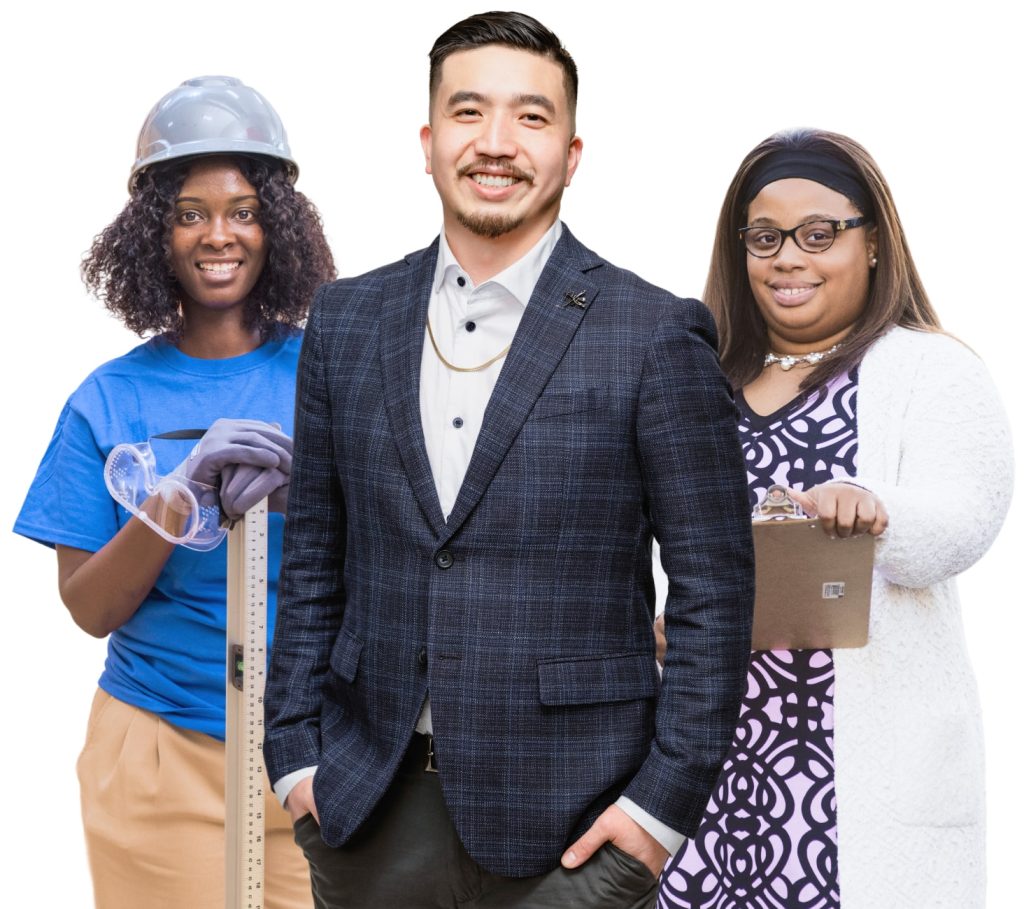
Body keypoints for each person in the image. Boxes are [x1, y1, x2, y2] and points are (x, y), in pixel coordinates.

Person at [264, 11, 755, 909]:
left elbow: (715, 592)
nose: (496, 143)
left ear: (571, 153)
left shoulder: (653, 333)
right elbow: (313, 559)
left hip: (576, 824)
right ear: (427, 141)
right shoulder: (345, 320)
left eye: (531, 118)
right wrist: (294, 751)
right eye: (468, 112)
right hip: (364, 808)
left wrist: (660, 811)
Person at [656, 128, 1013, 909]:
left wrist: (880, 513)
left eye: (820, 234)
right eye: (765, 236)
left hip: (856, 780)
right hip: (714, 775)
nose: (789, 257)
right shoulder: (700, 381)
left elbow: (969, 512)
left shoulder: (929, 368)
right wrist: (649, 621)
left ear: (876, 243)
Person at [14, 76, 335, 908]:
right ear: (153, 233)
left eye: (241, 209)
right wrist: (176, 501)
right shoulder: (107, 400)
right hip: (159, 757)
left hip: (321, 756)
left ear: (278, 225)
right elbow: (89, 608)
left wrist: (323, 497)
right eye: (189, 212)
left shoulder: (336, 369)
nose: (216, 234)